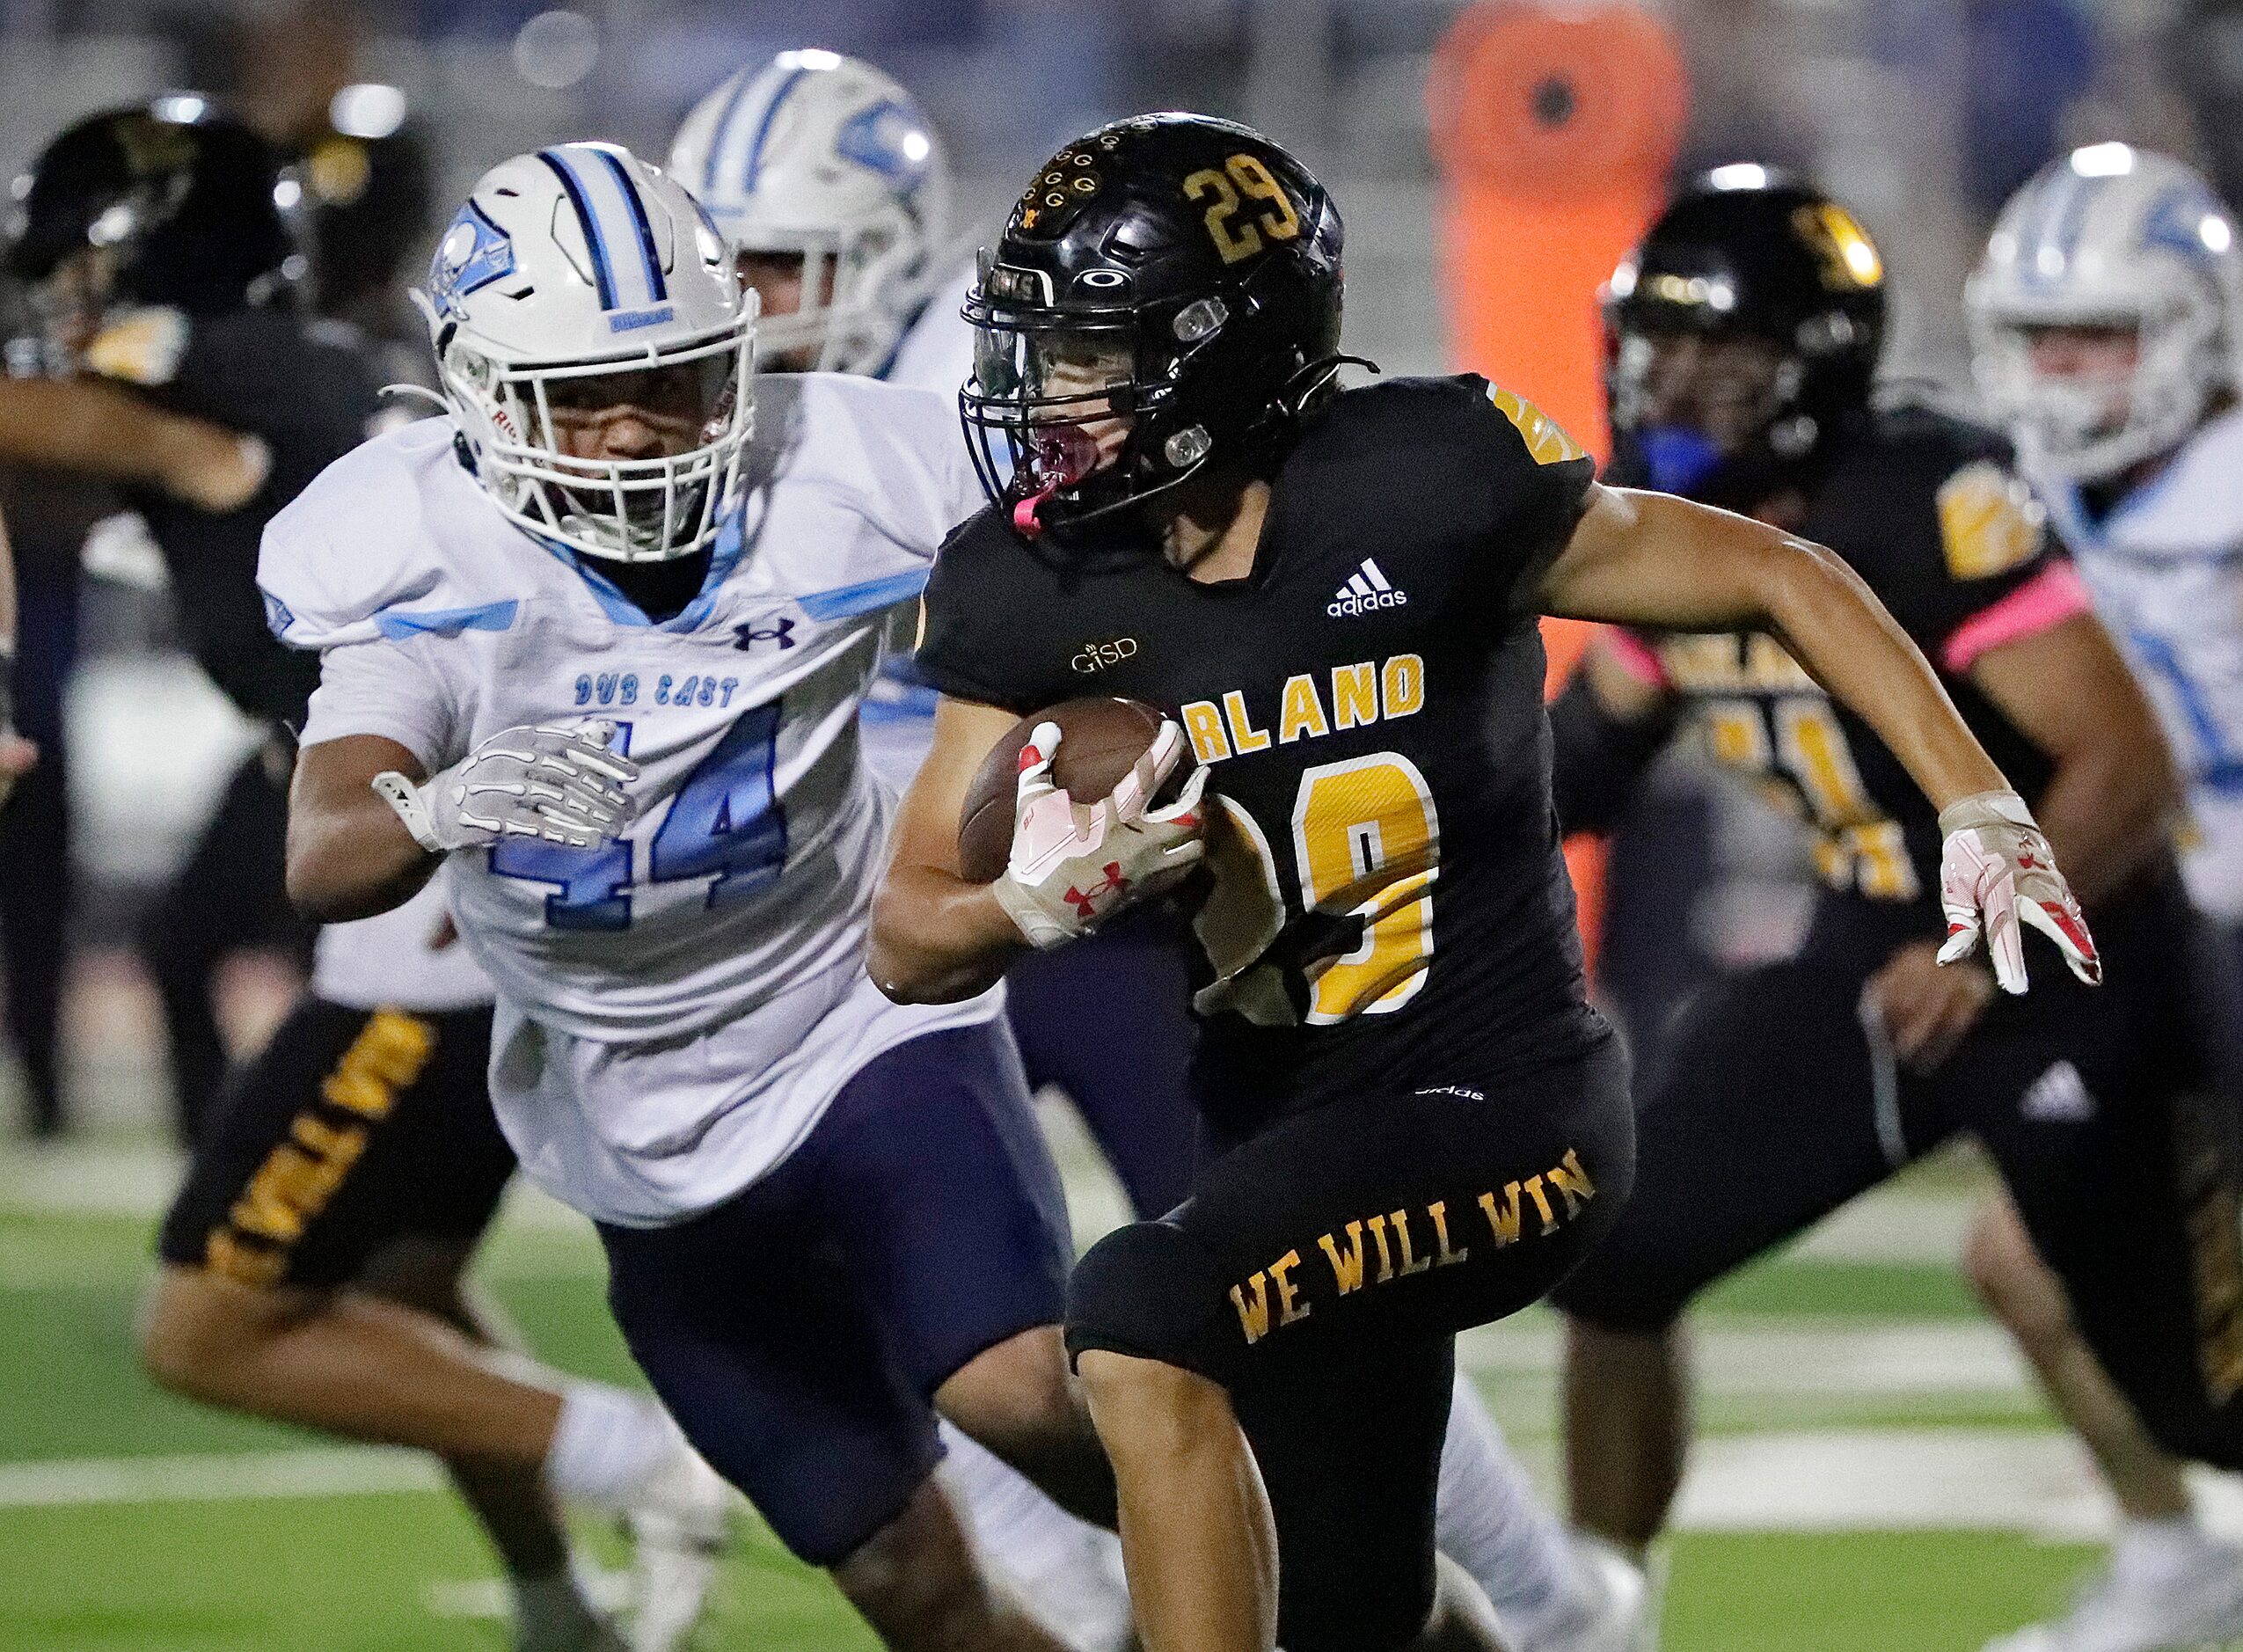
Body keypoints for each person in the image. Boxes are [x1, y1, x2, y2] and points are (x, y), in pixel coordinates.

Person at [869, 114, 2094, 1652]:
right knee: (1354, 1607)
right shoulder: (1023, 583)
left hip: (1501, 1108)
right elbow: (907, 939)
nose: (1051, 396)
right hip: (1276, 1116)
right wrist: (1026, 906)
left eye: (1094, 353)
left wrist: (1977, 801)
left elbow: (1777, 572)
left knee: (1134, 1313)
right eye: (1042, 350)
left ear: (1223, 350)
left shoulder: (1420, 480)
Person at [675, 55, 1645, 1651]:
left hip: (1160, 894)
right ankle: (1154, 1602)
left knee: (1249, 1296)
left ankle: (1532, 1601)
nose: (752, 302)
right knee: (984, 1346)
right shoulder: (700, 412)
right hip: (952, 897)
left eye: (778, 260)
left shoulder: (1003, 396)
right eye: (725, 265)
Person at [267, 140, 1128, 1652]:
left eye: (668, 381)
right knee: (908, 1584)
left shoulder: (851, 466)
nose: (629, 431)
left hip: (859, 1020)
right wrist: (432, 800)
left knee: (1026, 1399)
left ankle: (1362, 1594)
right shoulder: (417, 554)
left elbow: (1124, 531)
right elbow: (326, 850)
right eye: (577, 397)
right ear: (477, 394)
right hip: (633, 1134)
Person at [1537, 168, 2240, 1652]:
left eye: (1711, 365)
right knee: (1622, 1245)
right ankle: (1596, 1610)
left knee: (2200, 1390)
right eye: (1652, 353)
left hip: (2065, 950)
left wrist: (1973, 942)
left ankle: (2184, 1542)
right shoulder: (1674, 531)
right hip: (1871, 941)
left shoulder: (1921, 500)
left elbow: (2123, 761)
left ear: (1808, 373)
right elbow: (1574, 761)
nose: (1668, 393)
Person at [1968, 142, 2243, 1652]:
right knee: (2018, 1256)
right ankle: (2168, 1555)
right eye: (2040, 339)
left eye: (2103, 338)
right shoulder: (2007, 500)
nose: (2067, 374)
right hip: (2153, 933)